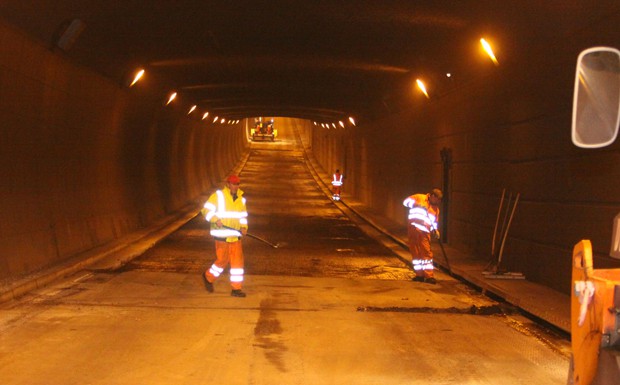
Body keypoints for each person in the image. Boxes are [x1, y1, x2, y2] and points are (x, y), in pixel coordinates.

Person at [201, 175, 249, 297]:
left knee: (237, 263)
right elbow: (205, 210)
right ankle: (208, 277)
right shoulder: (218, 196)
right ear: (228, 184)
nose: (235, 186)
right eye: (233, 184)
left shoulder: (241, 200)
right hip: (221, 235)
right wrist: (215, 219)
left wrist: (244, 227)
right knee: (222, 260)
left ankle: (236, 289)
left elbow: (243, 217)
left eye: (237, 184)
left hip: (235, 236)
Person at [403, 188, 443, 284]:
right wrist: (416, 205)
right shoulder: (419, 197)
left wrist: (435, 230)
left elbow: (434, 222)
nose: (438, 202)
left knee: (426, 253)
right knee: (415, 253)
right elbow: (405, 202)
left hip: (424, 232)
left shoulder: (435, 209)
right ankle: (419, 275)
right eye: (437, 199)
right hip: (413, 229)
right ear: (432, 196)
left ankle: (429, 276)